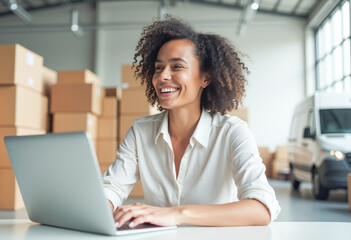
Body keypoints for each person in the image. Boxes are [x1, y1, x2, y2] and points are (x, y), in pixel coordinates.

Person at [102, 15, 280, 228]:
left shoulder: (232, 132)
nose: (163, 76)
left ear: (205, 78)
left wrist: (176, 214)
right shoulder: (141, 131)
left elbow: (262, 208)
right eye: (158, 68)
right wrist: (99, 209)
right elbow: (112, 188)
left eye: (177, 67)